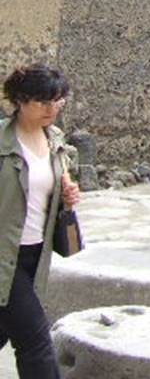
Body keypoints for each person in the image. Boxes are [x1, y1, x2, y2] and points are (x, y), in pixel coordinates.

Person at [0, 63, 80, 378]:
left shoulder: (54, 138)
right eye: (43, 102)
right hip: (4, 255)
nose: (52, 109)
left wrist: (68, 194)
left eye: (58, 100)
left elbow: (55, 183)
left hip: (36, 252)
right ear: (20, 100)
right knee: (36, 342)